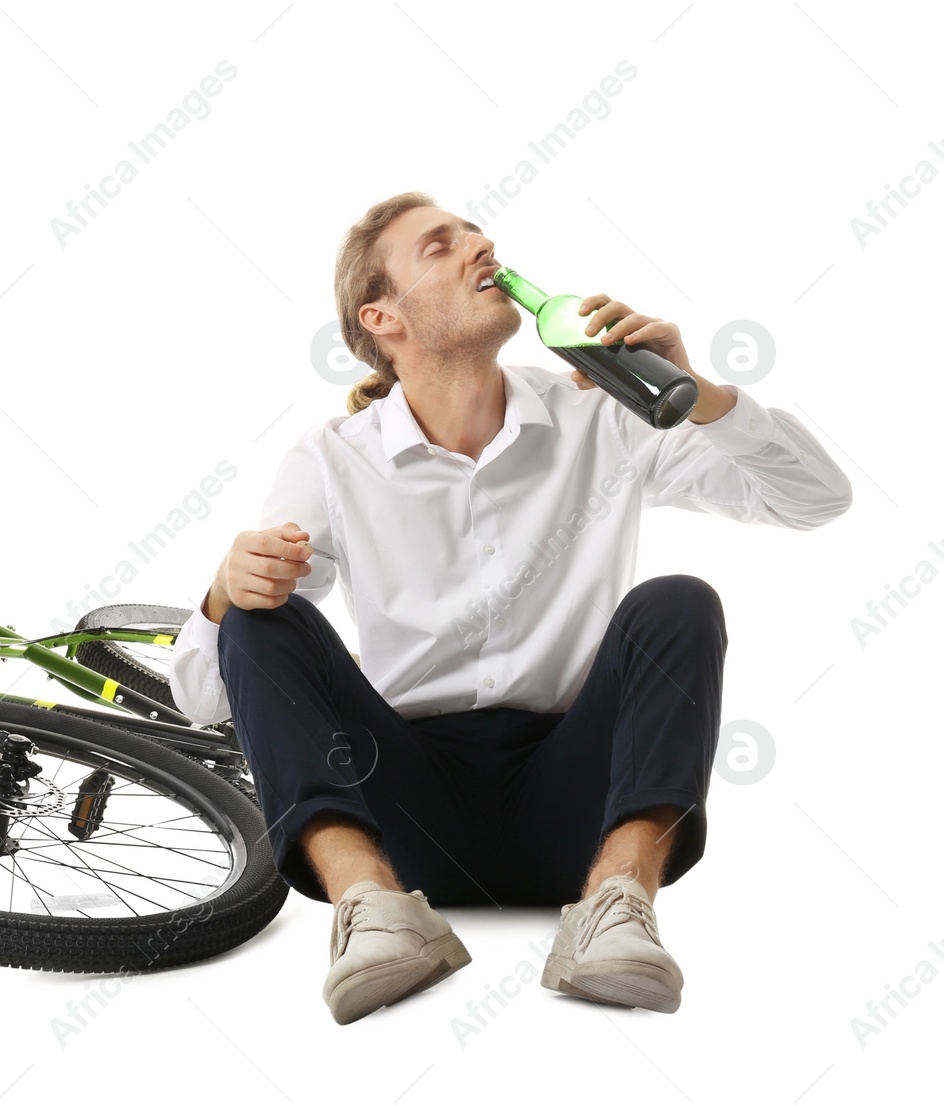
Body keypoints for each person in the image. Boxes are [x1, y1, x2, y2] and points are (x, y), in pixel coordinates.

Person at [168, 191, 854, 1024]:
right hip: (405, 820)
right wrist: (221, 591)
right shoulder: (332, 460)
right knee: (255, 612)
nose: (479, 245)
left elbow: (819, 500)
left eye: (475, 233)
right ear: (382, 317)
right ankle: (371, 913)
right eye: (439, 246)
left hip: (581, 811)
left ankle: (618, 907)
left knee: (679, 602)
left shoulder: (602, 413)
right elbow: (204, 698)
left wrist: (696, 390)